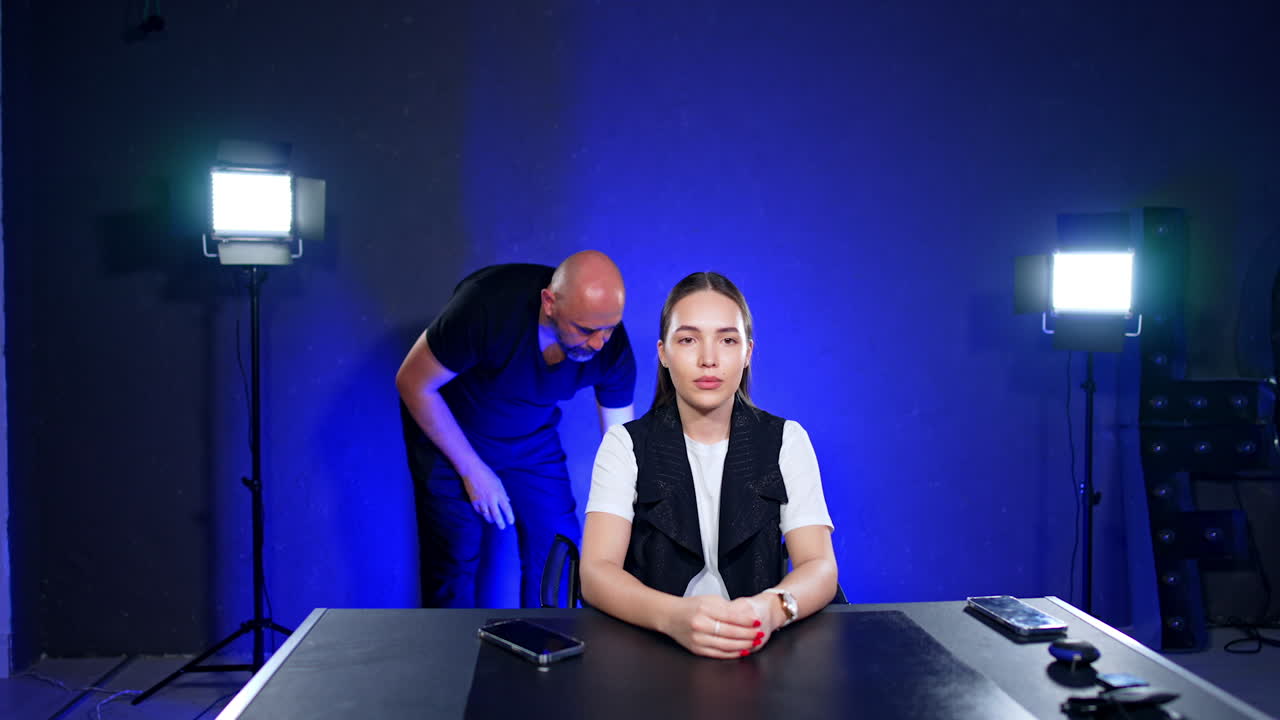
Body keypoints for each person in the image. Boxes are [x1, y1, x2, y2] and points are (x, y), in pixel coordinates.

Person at [581, 271, 837, 658]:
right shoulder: (625, 444)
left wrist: (770, 609)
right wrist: (675, 617)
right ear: (663, 353)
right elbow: (596, 573)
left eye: (727, 340)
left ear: (747, 353)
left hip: (760, 650)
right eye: (688, 339)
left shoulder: (787, 440)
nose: (709, 359)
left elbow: (820, 566)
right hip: (651, 653)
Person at [397, 251, 636, 608]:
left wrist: (633, 522)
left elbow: (621, 447)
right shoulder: (485, 306)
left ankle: (547, 657)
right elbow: (413, 383)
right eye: (586, 330)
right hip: (455, 437)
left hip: (531, 442)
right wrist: (473, 471)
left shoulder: (609, 345)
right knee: (455, 560)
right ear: (549, 303)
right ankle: (450, 661)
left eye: (609, 329)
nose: (599, 343)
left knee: (558, 553)